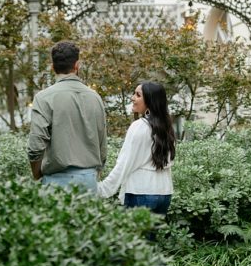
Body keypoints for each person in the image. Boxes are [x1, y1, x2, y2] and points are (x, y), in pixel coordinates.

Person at [27, 40, 107, 192]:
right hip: (89, 180)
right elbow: (102, 143)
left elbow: (35, 146)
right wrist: (95, 174)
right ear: (77, 65)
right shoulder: (95, 97)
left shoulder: (43, 98)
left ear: (52, 67)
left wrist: (37, 175)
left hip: (55, 182)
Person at [97, 81, 175, 214]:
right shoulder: (167, 127)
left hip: (141, 193)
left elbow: (125, 163)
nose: (132, 98)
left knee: (136, 235)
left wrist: (104, 188)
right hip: (164, 193)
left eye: (138, 95)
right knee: (151, 235)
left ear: (150, 101)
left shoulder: (139, 126)